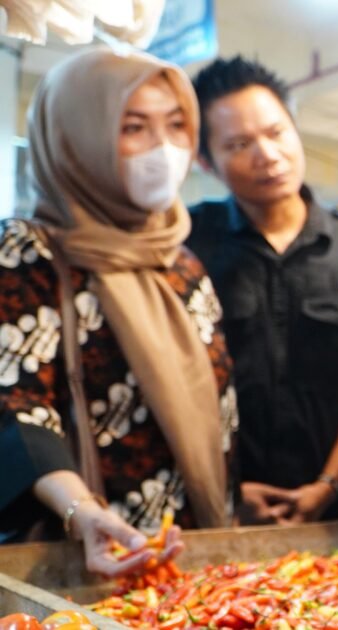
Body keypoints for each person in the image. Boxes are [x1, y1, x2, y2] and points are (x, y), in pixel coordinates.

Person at [0, 48, 237, 575]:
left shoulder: (182, 261)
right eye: (134, 128)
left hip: (188, 555)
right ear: (76, 139)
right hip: (88, 553)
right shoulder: (29, 252)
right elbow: (17, 404)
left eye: (177, 126)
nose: (165, 149)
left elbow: (212, 407)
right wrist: (81, 511)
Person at [187, 57, 338, 524]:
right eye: (239, 144)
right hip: (224, 513)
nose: (267, 154)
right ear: (206, 160)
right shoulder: (187, 248)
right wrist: (225, 484)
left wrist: (329, 484)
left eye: (276, 132)